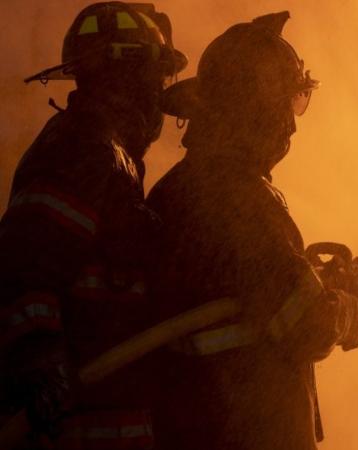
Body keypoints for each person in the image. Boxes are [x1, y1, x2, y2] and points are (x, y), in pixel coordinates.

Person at [146, 11, 358, 450]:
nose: (293, 124)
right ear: (251, 109)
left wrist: (323, 282)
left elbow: (255, 297)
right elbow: (304, 323)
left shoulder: (180, 190)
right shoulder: (234, 197)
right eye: (286, 105)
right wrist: (348, 306)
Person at [0, 2, 186, 448]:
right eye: (157, 78)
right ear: (126, 74)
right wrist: (40, 362)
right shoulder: (84, 149)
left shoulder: (107, 155)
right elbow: (23, 266)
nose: (161, 95)